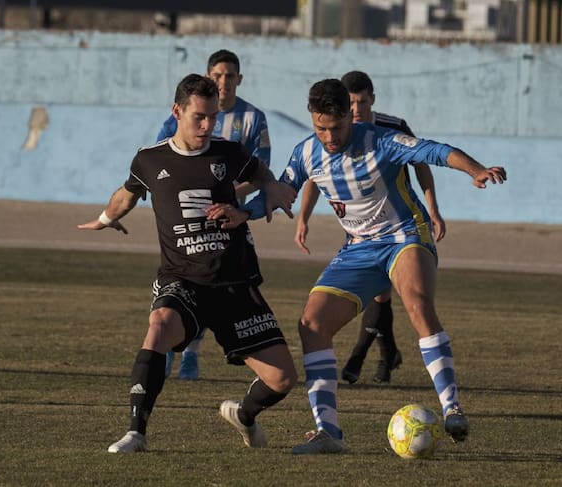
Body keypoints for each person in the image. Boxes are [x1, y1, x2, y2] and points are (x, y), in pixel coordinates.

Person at [244, 79, 506, 454]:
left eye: (336, 128)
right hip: (358, 248)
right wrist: (239, 213)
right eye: (320, 128)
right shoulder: (306, 153)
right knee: (312, 325)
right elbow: (280, 193)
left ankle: (452, 408)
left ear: (349, 116)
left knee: (416, 303)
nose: (329, 137)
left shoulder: (381, 141)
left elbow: (435, 151)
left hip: (405, 235)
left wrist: (475, 169)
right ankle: (328, 433)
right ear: (313, 119)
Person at [78, 74, 298, 453]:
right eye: (200, 117)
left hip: (234, 283)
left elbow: (259, 172)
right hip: (183, 279)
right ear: (177, 111)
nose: (208, 126)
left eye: (213, 117)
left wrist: (270, 187)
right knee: (159, 327)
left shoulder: (229, 153)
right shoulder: (150, 160)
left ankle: (243, 414)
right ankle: (136, 433)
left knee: (283, 379)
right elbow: (126, 195)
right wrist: (105, 218)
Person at [294, 70, 446, 385]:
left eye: (361, 102)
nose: (355, 110)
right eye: (350, 103)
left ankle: (361, 356)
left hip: (398, 225)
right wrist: (303, 217)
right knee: (380, 294)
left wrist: (433, 208)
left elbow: (421, 162)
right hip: (359, 230)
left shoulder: (390, 128)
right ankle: (385, 353)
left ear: (372, 100)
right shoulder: (333, 134)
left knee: (389, 294)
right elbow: (314, 176)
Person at [156, 49, 271, 380]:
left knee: (216, 281)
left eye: (229, 75)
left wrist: (229, 197)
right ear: (208, 77)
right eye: (217, 75)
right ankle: (169, 345)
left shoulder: (253, 118)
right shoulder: (182, 113)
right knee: (182, 280)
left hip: (227, 214)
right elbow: (162, 155)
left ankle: (191, 354)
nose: (223, 81)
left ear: (239, 79)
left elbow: (260, 170)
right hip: (186, 213)